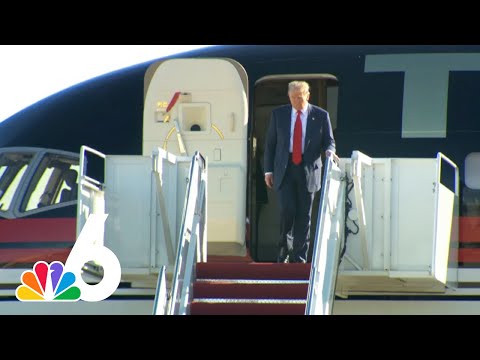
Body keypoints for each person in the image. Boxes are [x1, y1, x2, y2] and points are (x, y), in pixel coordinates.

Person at [263, 81, 337, 263]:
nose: (297, 100)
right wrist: (268, 171)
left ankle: (300, 257)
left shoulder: (320, 115)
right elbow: (270, 144)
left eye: (300, 96)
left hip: (308, 167)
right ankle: (284, 252)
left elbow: (330, 141)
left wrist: (330, 151)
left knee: (304, 214)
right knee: (287, 209)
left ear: (307, 95)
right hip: (285, 167)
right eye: (293, 97)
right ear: (289, 97)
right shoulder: (278, 115)